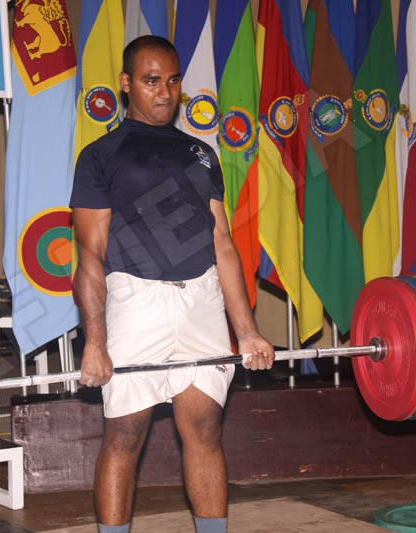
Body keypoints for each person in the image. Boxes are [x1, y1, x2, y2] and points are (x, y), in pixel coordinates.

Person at [70, 35, 275, 533]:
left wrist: (246, 331)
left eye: (173, 80)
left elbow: (223, 243)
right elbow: (90, 255)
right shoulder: (101, 155)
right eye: (151, 80)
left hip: (201, 298)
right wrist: (95, 341)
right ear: (126, 83)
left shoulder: (201, 153)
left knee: (204, 429)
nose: (165, 92)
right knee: (125, 435)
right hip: (135, 300)